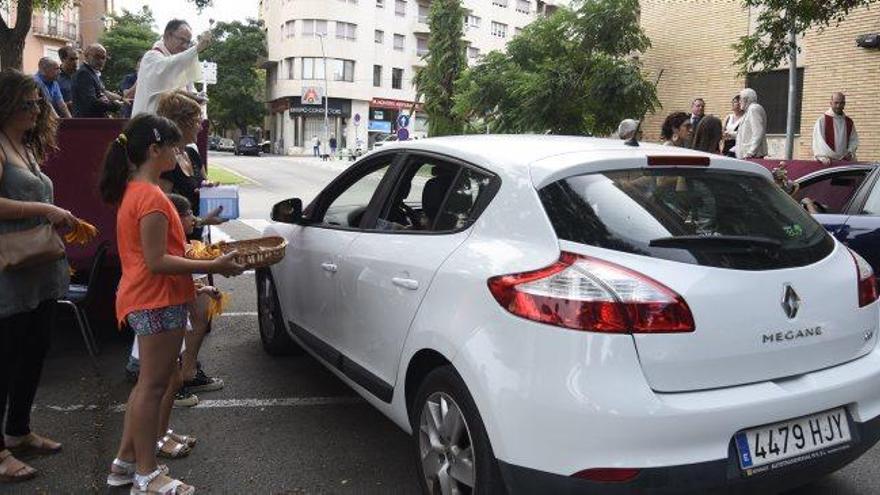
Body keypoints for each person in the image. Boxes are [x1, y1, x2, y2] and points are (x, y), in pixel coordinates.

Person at [98, 113, 243, 493]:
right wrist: (214, 265)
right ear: (154, 149)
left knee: (148, 385)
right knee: (153, 386)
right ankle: (146, 474)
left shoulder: (139, 191)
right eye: (175, 147)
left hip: (151, 297)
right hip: (156, 300)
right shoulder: (150, 197)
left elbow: (157, 255)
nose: (180, 155)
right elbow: (157, 261)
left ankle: (126, 462)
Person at [0, 69, 81, 483]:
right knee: (6, 358)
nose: (35, 109)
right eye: (26, 103)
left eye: (37, 103)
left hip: (41, 267)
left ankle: (18, 431)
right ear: (7, 104)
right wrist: (46, 211)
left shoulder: (26, 145)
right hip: (11, 271)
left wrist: (57, 217)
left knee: (34, 351)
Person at [156, 90, 226, 395]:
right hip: (175, 248)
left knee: (201, 313)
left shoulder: (193, 153)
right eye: (196, 120)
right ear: (179, 122)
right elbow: (163, 207)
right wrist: (197, 220)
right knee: (179, 318)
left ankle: (187, 370)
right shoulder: (165, 160)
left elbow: (198, 184)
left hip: (195, 243)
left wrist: (207, 188)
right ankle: (173, 379)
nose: (200, 125)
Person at [131, 19, 212, 117]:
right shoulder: (151, 57)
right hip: (148, 122)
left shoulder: (180, 63)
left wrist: (197, 96)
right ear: (167, 35)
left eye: (188, 42)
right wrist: (197, 48)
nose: (185, 46)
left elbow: (187, 89)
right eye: (182, 40)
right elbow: (167, 72)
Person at [72, 44, 123, 118]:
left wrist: (119, 99)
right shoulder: (84, 74)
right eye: (96, 57)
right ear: (86, 56)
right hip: (87, 123)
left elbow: (102, 93)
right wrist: (115, 105)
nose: (100, 61)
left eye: (103, 58)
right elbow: (91, 102)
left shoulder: (93, 73)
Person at [812, 92, 859, 165]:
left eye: (841, 103)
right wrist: (824, 156)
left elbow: (853, 140)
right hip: (827, 162)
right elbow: (818, 142)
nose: (838, 106)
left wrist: (850, 152)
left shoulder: (849, 122)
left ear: (844, 104)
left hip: (844, 161)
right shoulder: (822, 120)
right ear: (831, 103)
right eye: (836, 103)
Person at [735, 88, 768, 159]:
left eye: (740, 99)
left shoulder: (754, 109)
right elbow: (746, 133)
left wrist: (751, 152)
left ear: (746, 99)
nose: (739, 102)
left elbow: (758, 132)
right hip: (747, 155)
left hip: (752, 156)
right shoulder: (748, 110)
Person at [57, 46, 78, 110]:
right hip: (63, 117)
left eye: (76, 59)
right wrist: (68, 104)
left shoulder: (82, 75)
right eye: (71, 59)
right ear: (62, 59)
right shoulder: (55, 77)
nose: (75, 62)